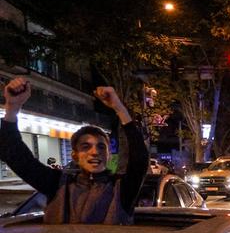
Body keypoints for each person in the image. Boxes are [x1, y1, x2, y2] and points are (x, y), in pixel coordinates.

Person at [0, 77, 149, 224]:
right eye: (86, 146)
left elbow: (140, 159)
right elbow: (14, 153)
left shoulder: (121, 189)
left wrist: (119, 108)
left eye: (101, 146)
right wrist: (12, 107)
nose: (95, 151)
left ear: (109, 155)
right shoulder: (57, 184)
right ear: (75, 156)